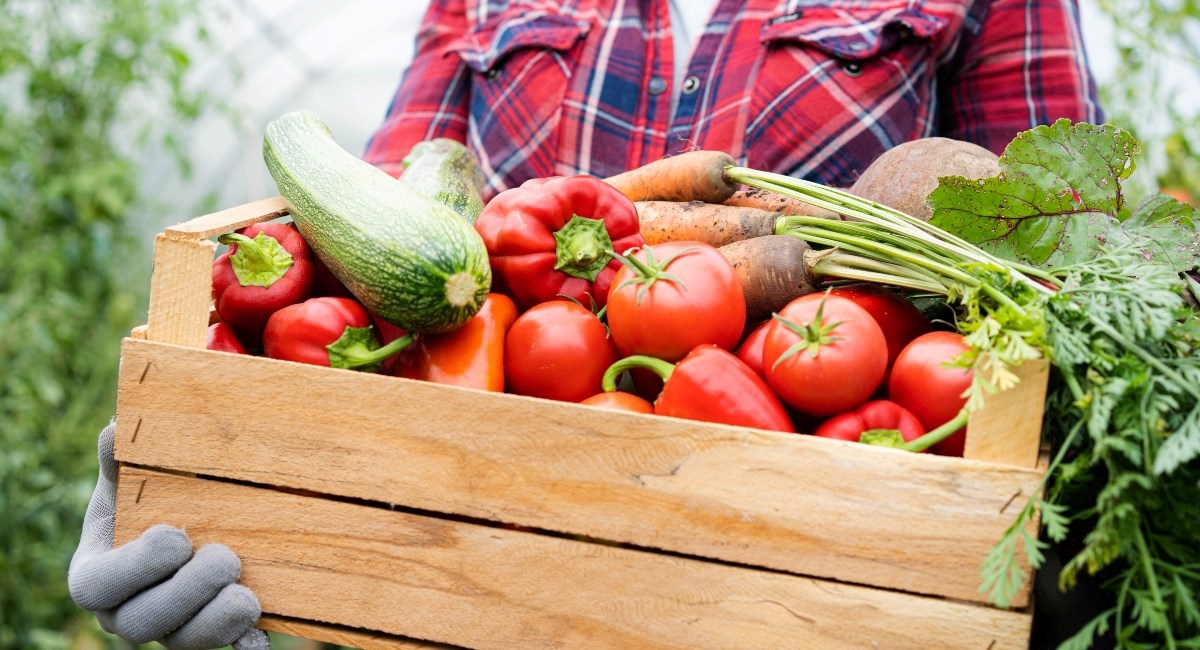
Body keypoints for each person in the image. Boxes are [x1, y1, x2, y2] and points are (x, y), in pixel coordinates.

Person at [68, 0, 1103, 647]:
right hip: (486, 573)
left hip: (809, 576)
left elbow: (1058, 267)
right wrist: (214, 458)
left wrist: (1028, 551)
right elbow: (367, 233)